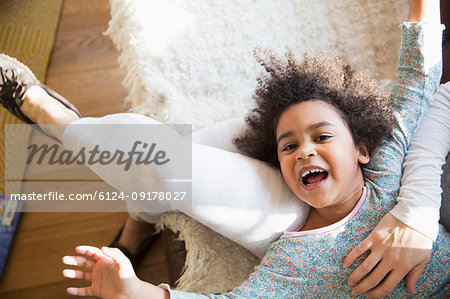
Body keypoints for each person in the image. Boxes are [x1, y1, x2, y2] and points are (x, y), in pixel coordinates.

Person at [0, 0, 447, 297]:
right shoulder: (293, 258)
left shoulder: (386, 175)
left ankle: (121, 193)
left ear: (363, 150)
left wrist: (139, 293)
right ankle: (69, 132)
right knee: (160, 153)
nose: (304, 151)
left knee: (161, 158)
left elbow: (417, 82)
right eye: (288, 147)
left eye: (322, 137)